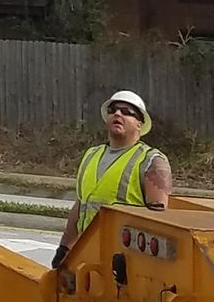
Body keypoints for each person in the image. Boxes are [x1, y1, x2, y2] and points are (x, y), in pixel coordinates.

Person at [52, 89, 173, 269]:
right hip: (88, 256)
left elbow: (158, 221)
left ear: (139, 123)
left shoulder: (152, 161)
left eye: (127, 112)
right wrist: (65, 248)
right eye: (114, 110)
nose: (117, 113)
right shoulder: (91, 155)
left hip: (125, 264)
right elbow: (81, 204)